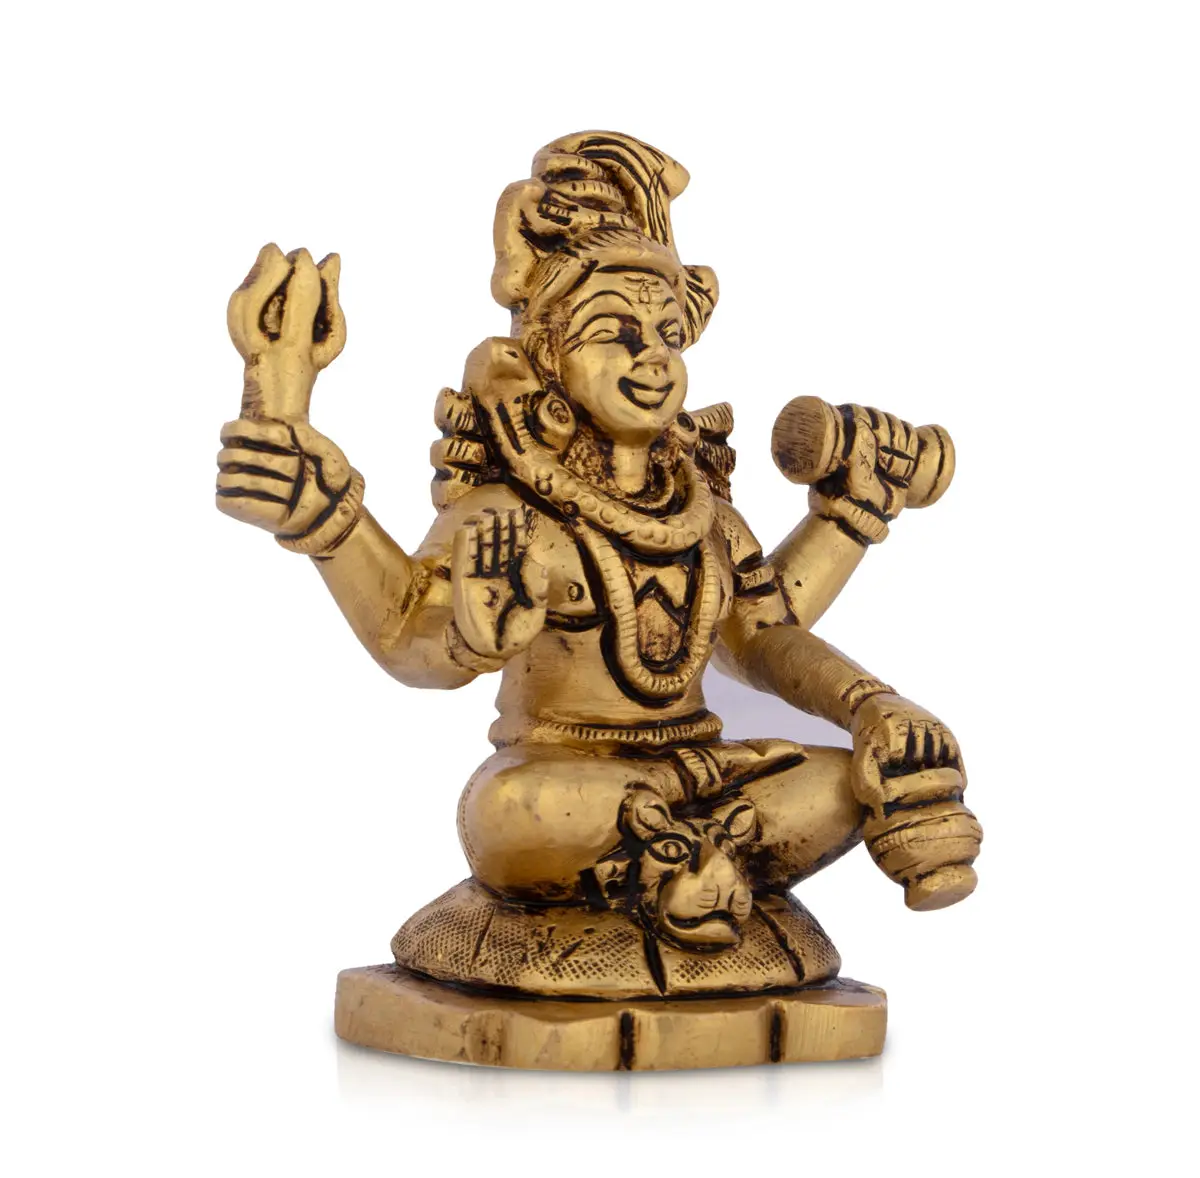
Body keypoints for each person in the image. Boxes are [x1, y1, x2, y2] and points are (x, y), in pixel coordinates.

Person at [216, 131, 981, 961]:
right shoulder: (512, 512)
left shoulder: (704, 514)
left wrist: (869, 698)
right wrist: (337, 531)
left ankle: (686, 868)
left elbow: (763, 633)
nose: (653, 361)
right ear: (547, 358)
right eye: (615, 333)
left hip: (702, 778)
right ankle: (697, 874)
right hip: (565, 785)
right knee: (515, 812)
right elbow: (408, 634)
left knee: (851, 773)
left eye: (668, 337)